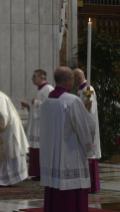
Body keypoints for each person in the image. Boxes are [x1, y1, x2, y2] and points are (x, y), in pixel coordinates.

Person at [40, 66, 96, 212]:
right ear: (67, 80)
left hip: (52, 158)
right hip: (69, 156)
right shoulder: (72, 101)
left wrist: (81, 109)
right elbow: (84, 129)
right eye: (71, 78)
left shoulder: (47, 101)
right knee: (71, 200)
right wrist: (89, 149)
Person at [21, 69, 54, 181]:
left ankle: (42, 173)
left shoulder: (48, 89)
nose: (32, 78)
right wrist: (29, 105)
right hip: (37, 125)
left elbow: (49, 106)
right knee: (35, 149)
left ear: (42, 77)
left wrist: (34, 103)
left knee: (40, 149)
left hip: (42, 126)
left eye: (34, 76)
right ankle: (37, 172)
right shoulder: (40, 90)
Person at [73, 68, 101, 193]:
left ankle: (90, 185)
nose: (73, 81)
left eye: (74, 78)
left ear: (79, 77)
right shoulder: (81, 90)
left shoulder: (88, 90)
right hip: (81, 126)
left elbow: (91, 110)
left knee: (88, 154)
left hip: (87, 127)